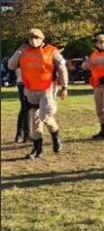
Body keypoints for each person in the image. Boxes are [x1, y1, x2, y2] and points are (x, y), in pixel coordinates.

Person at [7, 28, 68, 159]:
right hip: (30, 89)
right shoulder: (24, 51)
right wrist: (19, 50)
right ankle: (37, 149)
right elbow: (11, 66)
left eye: (36, 38)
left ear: (42, 39)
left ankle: (55, 135)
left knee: (45, 115)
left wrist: (65, 87)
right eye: (30, 38)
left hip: (47, 88)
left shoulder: (52, 51)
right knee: (34, 119)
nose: (33, 40)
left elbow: (62, 69)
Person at [14, 66, 30, 143]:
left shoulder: (19, 53)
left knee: (24, 108)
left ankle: (20, 134)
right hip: (27, 81)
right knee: (26, 108)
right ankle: (25, 135)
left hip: (20, 80)